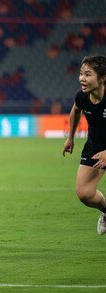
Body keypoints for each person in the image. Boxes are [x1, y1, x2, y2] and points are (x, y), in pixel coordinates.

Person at [63, 54, 106, 235]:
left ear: (103, 78)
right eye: (81, 73)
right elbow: (75, 111)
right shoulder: (82, 96)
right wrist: (70, 137)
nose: (82, 78)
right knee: (84, 194)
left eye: (88, 74)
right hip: (95, 147)